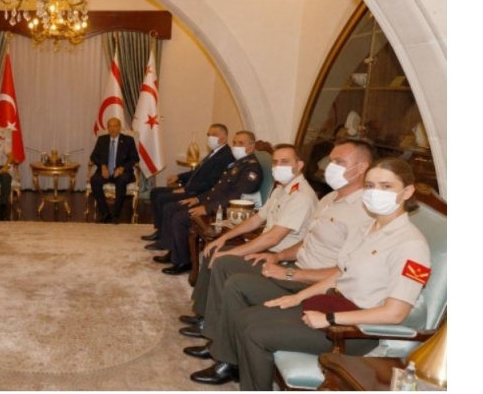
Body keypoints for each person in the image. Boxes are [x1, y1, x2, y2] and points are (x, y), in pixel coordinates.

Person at [191, 158, 431, 390]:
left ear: (407, 192)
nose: (375, 192)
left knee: (254, 332)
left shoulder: (411, 245)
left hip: (355, 330)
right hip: (332, 303)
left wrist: (330, 319)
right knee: (244, 319)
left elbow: (395, 313)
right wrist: (298, 297)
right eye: (370, 186)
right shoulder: (366, 228)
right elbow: (340, 274)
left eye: (386, 186)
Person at [181, 139, 375, 363]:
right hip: (292, 262)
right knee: (222, 260)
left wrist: (287, 270)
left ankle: (224, 353)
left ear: (361, 168)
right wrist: (276, 256)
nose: (330, 167)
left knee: (233, 276)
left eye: (339, 162)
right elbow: (304, 240)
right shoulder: (329, 198)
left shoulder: (362, 212)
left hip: (310, 279)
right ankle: (208, 323)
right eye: (331, 161)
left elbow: (344, 272)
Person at [181, 144, 318, 334]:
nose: (278, 166)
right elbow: (257, 219)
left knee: (223, 261)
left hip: (281, 258)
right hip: (268, 250)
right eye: (275, 162)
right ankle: (203, 313)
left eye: (285, 162)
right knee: (214, 249)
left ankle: (211, 328)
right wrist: (224, 238)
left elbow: (273, 238)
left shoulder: (301, 196)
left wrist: (230, 253)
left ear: (299, 165)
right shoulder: (281, 189)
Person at [155, 131, 263, 275]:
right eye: (234, 142)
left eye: (241, 143)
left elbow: (236, 197)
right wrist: (197, 199)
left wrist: (207, 208)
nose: (236, 146)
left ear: (251, 146)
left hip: (224, 210)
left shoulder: (251, 169)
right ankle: (175, 252)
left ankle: (183, 261)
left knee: (180, 218)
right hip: (212, 202)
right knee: (173, 208)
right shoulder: (237, 164)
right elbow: (216, 189)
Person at [142, 124, 234, 248]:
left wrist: (186, 189)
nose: (210, 137)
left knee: (163, 199)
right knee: (155, 192)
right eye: (208, 134)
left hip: (199, 193)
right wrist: (178, 176)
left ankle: (165, 242)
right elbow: (196, 172)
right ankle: (161, 231)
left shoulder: (225, 156)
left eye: (214, 135)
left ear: (224, 138)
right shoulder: (214, 152)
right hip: (192, 188)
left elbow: (211, 183)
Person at [89, 117, 140, 223]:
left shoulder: (128, 140)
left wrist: (122, 168)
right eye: (110, 126)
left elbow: (135, 158)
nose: (112, 129)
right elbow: (93, 156)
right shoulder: (102, 139)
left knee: (121, 181)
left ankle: (116, 215)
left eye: (115, 126)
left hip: (122, 172)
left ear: (120, 127)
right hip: (106, 171)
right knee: (94, 180)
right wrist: (103, 166)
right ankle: (105, 213)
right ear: (107, 128)